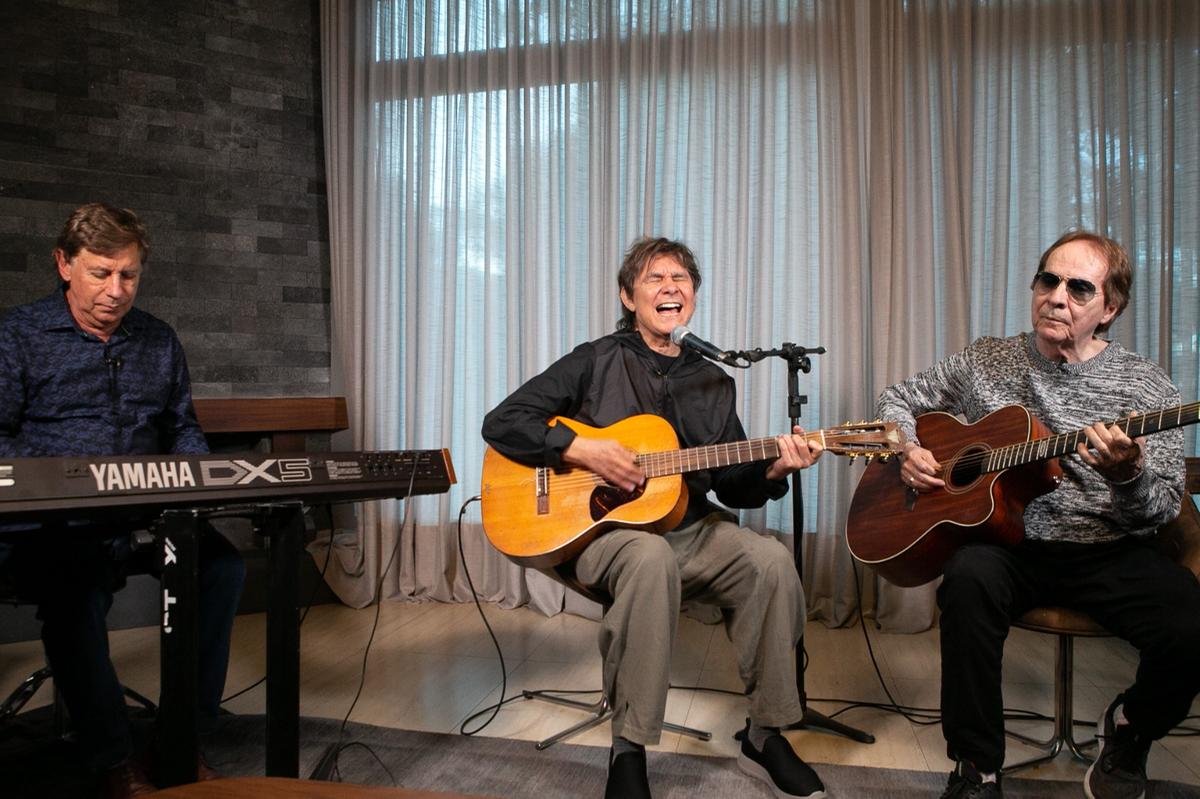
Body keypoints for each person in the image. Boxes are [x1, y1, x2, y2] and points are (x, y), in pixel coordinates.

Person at [482, 236, 827, 799]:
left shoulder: (714, 380)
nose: (671, 287)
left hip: (687, 527)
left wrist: (775, 470)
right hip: (603, 535)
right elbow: (504, 422)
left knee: (768, 560)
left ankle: (766, 733)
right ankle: (629, 749)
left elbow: (732, 483)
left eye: (681, 279)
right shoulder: (594, 360)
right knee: (646, 559)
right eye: (654, 278)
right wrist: (582, 450)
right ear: (628, 296)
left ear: (693, 296)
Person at [876, 230, 1200, 799]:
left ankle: (1130, 732)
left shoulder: (1145, 384)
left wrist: (1127, 477)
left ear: (1110, 308)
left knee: (1192, 623)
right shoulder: (986, 358)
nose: (1057, 296)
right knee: (969, 580)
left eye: (1079, 288)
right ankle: (976, 768)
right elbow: (896, 398)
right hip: (1010, 544)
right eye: (1048, 280)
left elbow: (1162, 508)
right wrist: (905, 447)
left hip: (1109, 547)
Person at [0, 203, 246, 798]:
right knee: (76, 589)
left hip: (142, 513)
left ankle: (181, 740)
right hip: (48, 525)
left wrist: (195, 479)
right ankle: (111, 757)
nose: (116, 290)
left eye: (129, 275)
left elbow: (181, 427)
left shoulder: (157, 339)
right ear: (64, 265)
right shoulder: (17, 335)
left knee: (220, 566)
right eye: (100, 273)